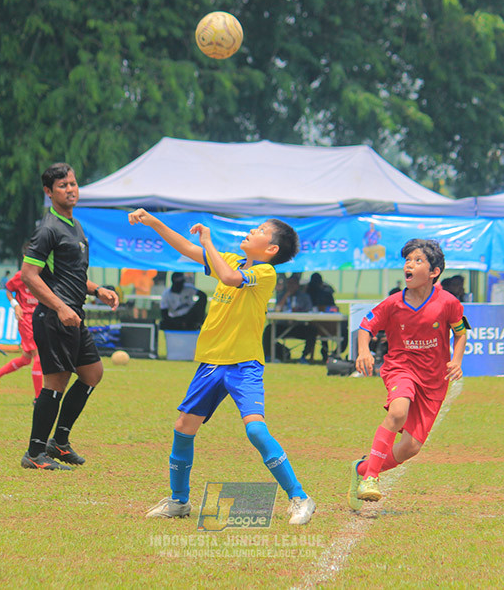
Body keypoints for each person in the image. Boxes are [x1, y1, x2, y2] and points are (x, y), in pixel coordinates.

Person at [128, 208, 316, 525]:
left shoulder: (266, 273)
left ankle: (299, 497)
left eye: (258, 230)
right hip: (211, 364)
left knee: (256, 429)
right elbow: (188, 250)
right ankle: (178, 501)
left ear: (271, 250)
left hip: (244, 365)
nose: (250, 232)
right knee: (183, 428)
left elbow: (229, 278)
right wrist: (155, 223)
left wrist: (209, 241)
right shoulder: (227, 259)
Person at [348, 239, 467, 509]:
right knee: (398, 411)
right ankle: (370, 478)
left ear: (434, 272)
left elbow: (461, 332)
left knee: (410, 448)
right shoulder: (393, 303)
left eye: (417, 260)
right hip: (400, 368)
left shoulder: (449, 303)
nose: (409, 265)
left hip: (434, 380)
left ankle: (362, 469)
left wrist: (456, 361)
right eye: (407, 261)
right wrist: (363, 351)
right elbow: (366, 326)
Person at [18, 163, 120, 471]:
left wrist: (96, 289)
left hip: (74, 315)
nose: (71, 189)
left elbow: (68, 274)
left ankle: (59, 443)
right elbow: (29, 275)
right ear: (49, 192)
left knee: (92, 374)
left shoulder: (74, 225)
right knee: (56, 383)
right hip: (54, 317)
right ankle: (35, 454)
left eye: (73, 183)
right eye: (63, 186)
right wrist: (61, 307)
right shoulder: (48, 228)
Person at [0, 260, 43, 400]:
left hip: (41, 319)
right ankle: (38, 399)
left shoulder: (44, 274)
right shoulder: (21, 275)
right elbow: (8, 289)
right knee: (39, 357)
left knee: (26, 359)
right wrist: (15, 305)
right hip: (26, 320)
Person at [264, 272, 318, 363]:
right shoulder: (281, 295)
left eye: (293, 284)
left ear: (298, 285)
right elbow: (277, 309)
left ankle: (304, 357)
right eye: (289, 284)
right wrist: (286, 295)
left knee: (312, 331)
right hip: (283, 325)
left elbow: (309, 311)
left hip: (298, 326)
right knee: (269, 330)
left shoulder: (304, 297)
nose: (291, 286)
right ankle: (269, 356)